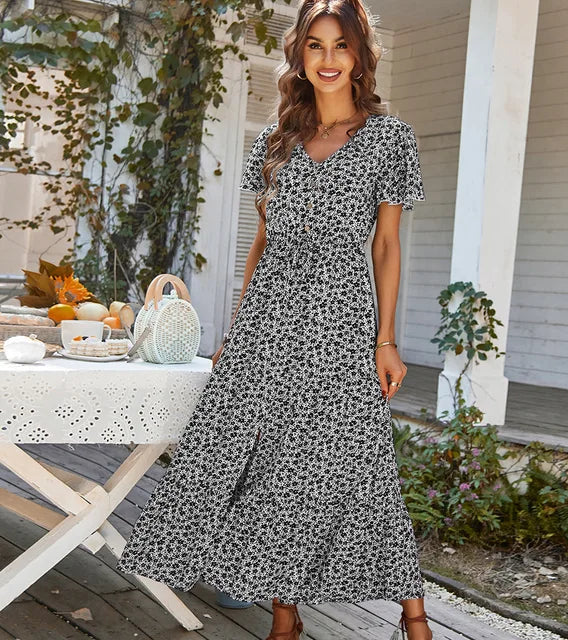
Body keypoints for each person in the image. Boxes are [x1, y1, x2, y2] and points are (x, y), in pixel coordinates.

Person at [117, 1, 432, 639]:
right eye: (315, 45)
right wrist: (238, 327)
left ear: (361, 56)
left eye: (341, 45)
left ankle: (414, 613)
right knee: (269, 464)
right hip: (269, 320)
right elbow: (261, 243)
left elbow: (386, 245)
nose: (328, 59)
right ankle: (284, 618)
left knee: (360, 459)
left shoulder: (389, 138)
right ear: (300, 54)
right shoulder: (276, 140)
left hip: (342, 320)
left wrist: (386, 340)